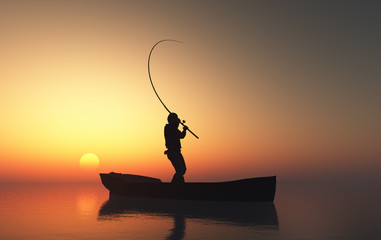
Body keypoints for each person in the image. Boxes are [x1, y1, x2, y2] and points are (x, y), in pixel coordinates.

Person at [164, 112, 188, 184]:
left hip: (177, 152)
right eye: (176, 118)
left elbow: (181, 136)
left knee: (182, 170)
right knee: (180, 170)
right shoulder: (168, 127)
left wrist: (184, 130)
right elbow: (174, 128)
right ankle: (174, 186)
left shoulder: (174, 128)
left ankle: (177, 184)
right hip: (172, 152)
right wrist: (178, 122)